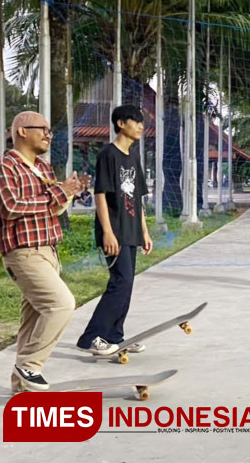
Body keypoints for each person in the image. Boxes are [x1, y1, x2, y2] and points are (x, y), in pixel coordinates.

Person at [0, 111, 84, 391]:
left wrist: (68, 193)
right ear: (21, 131)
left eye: (49, 131)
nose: (47, 135)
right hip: (23, 252)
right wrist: (57, 193)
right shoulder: (5, 166)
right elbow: (11, 207)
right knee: (61, 304)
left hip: (49, 251)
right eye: (42, 129)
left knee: (32, 321)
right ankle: (30, 365)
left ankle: (20, 388)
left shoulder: (43, 167)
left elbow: (51, 207)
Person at [77, 105, 153, 355]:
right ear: (121, 123)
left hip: (131, 229)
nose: (141, 126)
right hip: (115, 231)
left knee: (127, 283)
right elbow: (100, 195)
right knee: (120, 282)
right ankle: (91, 337)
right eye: (136, 121)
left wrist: (145, 231)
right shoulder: (108, 154)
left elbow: (138, 197)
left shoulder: (133, 155)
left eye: (142, 122)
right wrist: (107, 232)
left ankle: (114, 336)